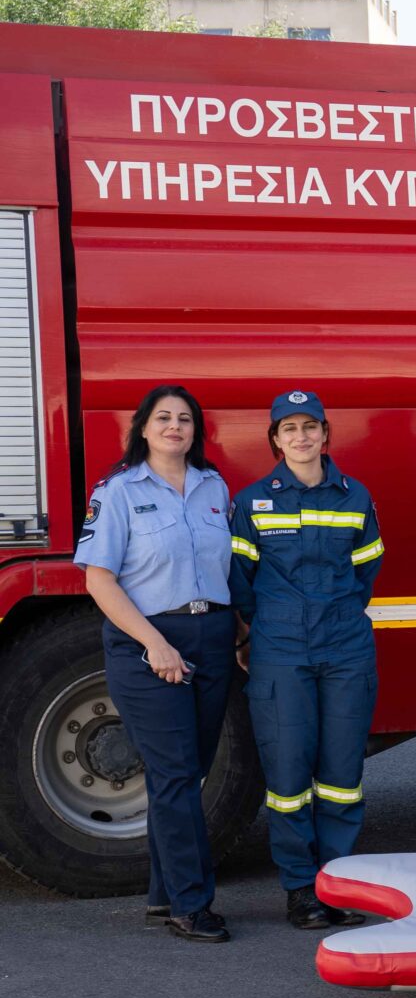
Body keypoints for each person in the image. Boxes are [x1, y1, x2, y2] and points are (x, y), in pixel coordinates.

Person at [74, 386, 236, 943]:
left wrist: (236, 630)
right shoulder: (117, 491)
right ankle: (192, 906)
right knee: (173, 777)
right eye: (163, 418)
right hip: (148, 643)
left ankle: (163, 891)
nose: (175, 427)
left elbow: (225, 566)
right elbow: (99, 579)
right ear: (143, 428)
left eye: (185, 419)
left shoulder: (214, 487)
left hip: (211, 637)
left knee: (190, 773)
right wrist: (154, 645)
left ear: (196, 431)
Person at [227, 389, 378, 930]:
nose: (301, 437)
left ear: (325, 433)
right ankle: (300, 890)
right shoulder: (251, 502)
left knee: (342, 773)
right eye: (288, 429)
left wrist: (331, 617)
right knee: (288, 773)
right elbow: (239, 582)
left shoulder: (355, 496)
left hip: (345, 648)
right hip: (281, 652)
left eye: (309, 427)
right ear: (275, 439)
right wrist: (261, 632)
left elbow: (366, 573)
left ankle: (334, 884)